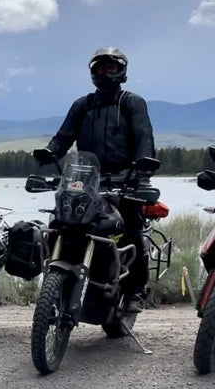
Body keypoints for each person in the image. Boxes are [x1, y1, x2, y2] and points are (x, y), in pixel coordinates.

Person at [45, 46, 156, 313]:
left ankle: (136, 290)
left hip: (126, 178)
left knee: (131, 228)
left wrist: (143, 168)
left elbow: (144, 138)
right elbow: (63, 137)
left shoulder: (132, 102)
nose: (106, 72)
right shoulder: (82, 104)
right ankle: (59, 279)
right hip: (85, 178)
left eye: (111, 67)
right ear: (92, 73)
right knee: (61, 222)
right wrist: (50, 152)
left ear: (122, 71)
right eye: (100, 68)